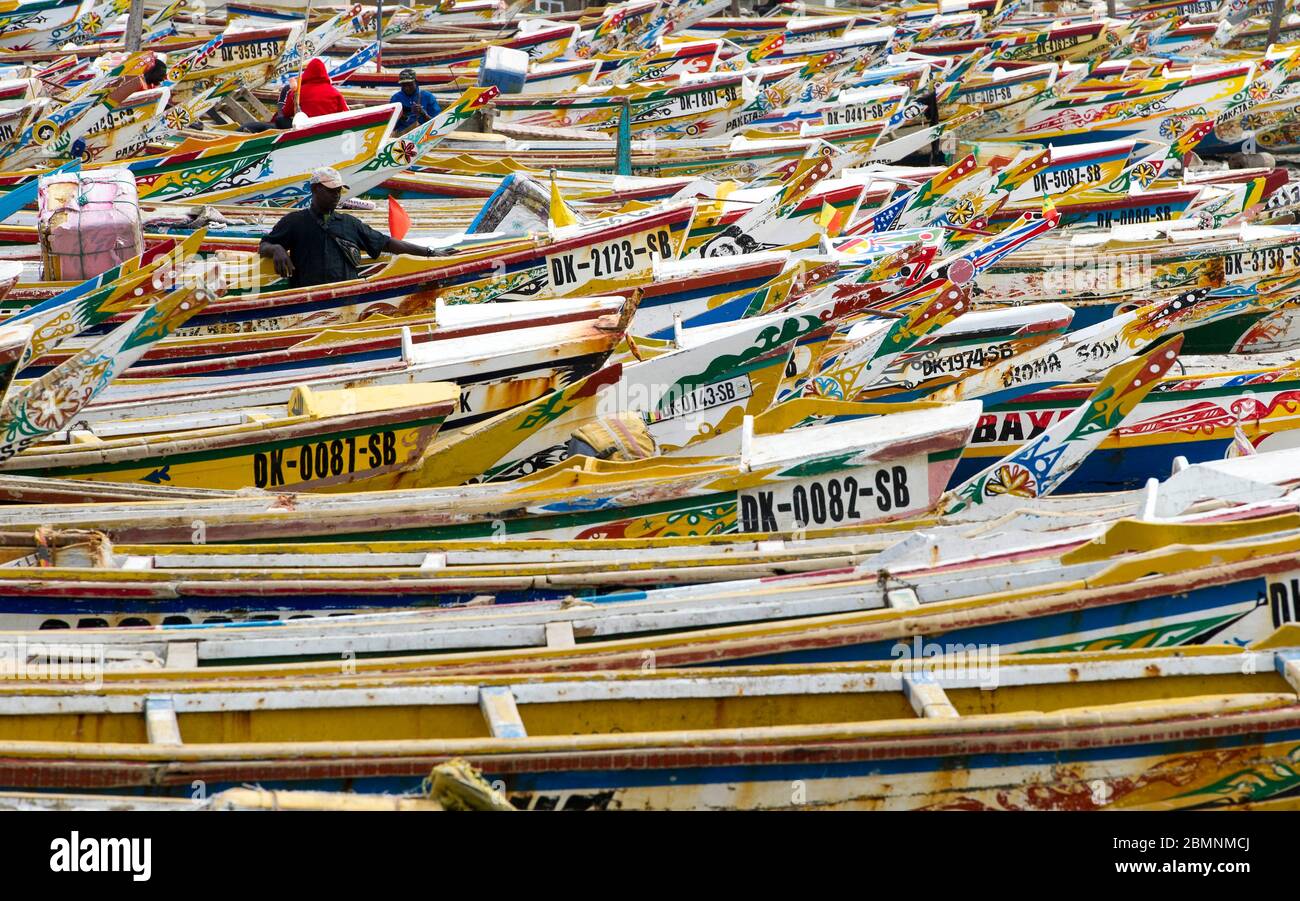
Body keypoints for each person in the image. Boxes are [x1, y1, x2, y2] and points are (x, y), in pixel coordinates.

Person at [259, 167, 447, 289]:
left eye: (339, 190)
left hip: (346, 297)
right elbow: (264, 245)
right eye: (331, 190)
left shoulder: (349, 223)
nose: (336, 195)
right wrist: (277, 248)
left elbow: (387, 244)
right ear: (315, 189)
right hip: (308, 297)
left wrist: (429, 252)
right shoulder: (295, 221)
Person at [281, 58, 348, 119]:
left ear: (307, 72)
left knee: (280, 120)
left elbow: (286, 113)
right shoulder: (335, 93)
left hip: (304, 128)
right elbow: (345, 113)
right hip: (329, 128)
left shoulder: (297, 92)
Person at [390, 69, 441, 134]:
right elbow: (391, 125)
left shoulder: (428, 97)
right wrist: (400, 116)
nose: (407, 88)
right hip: (402, 135)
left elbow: (437, 123)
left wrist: (423, 113)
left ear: (416, 82)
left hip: (425, 134)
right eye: (404, 85)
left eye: (409, 84)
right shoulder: (396, 98)